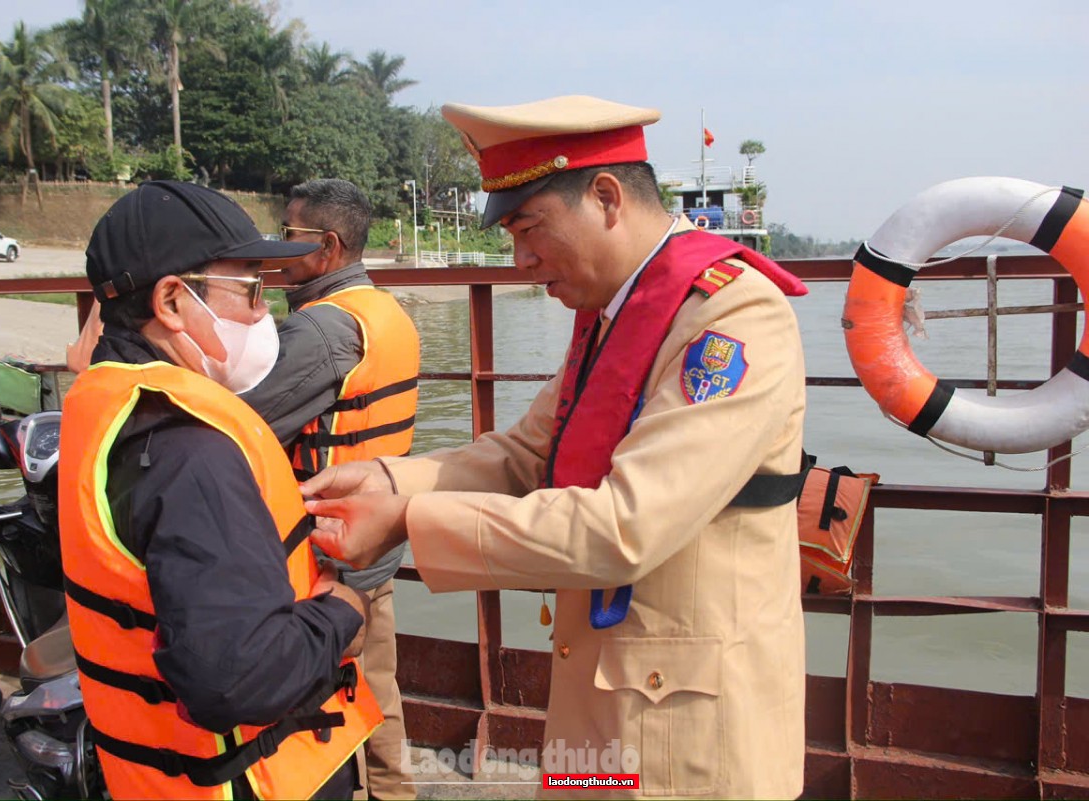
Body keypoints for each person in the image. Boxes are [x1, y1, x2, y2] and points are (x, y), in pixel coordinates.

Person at [300, 95, 810, 799]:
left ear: (605, 197)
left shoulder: (731, 315)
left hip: (688, 734)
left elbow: (626, 525)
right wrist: (383, 479)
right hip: (593, 704)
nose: (520, 261)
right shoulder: (612, 316)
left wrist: (407, 521)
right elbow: (524, 455)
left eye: (528, 228)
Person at [58, 180, 383, 801]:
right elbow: (234, 680)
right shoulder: (193, 453)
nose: (266, 314)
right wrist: (344, 610)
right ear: (174, 302)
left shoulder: (108, 403)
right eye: (251, 290)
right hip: (241, 783)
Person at [240, 178, 420, 801]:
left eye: (287, 235)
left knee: (338, 693)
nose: (276, 247)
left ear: (327, 246)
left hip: (323, 551)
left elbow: (239, 423)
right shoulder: (384, 310)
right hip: (377, 540)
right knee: (378, 684)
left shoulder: (319, 332)